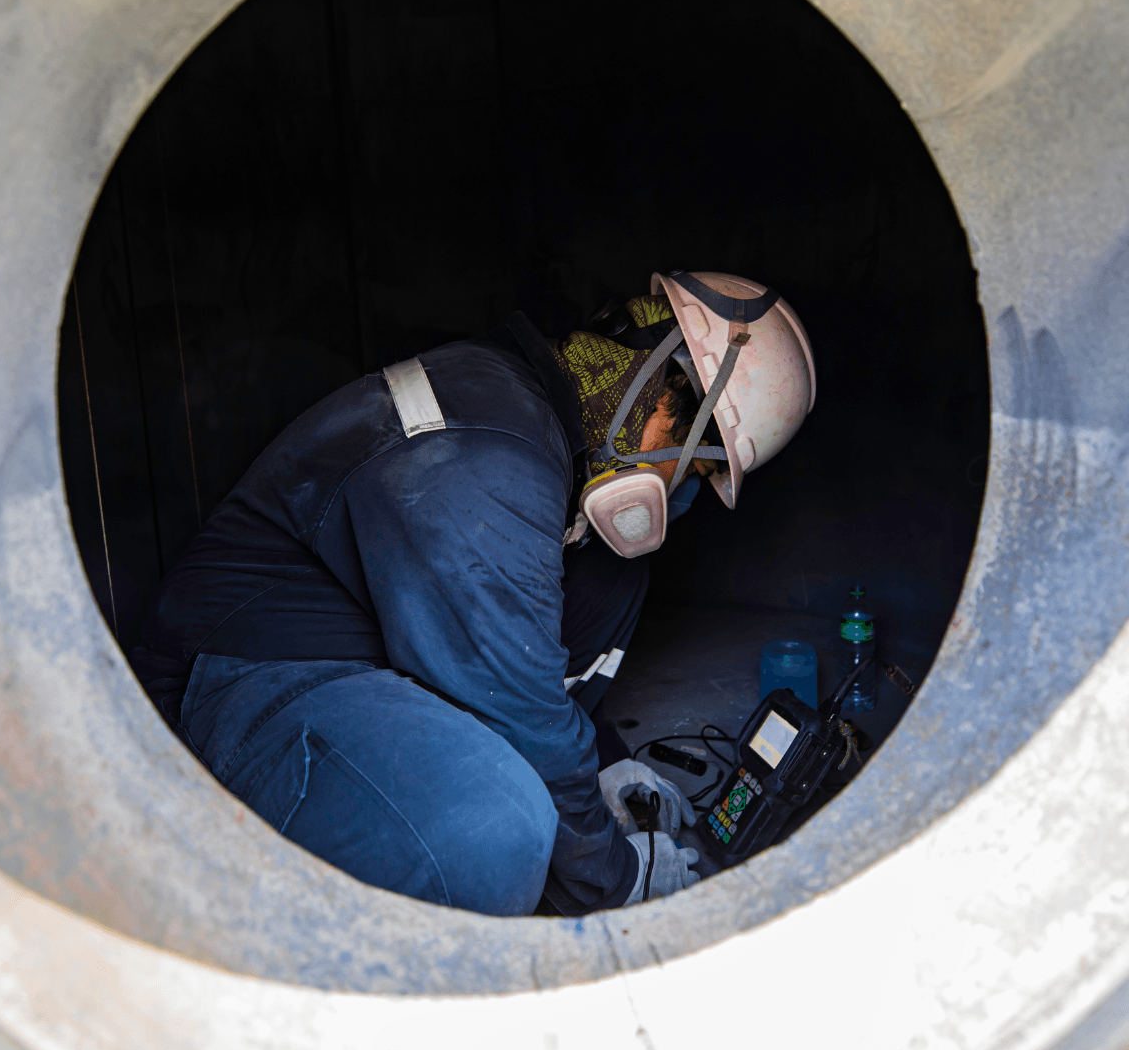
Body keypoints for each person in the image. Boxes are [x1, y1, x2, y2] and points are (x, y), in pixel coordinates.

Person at [130, 272, 815, 916]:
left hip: (351, 661)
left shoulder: (519, 407)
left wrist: (606, 764)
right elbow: (522, 710)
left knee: (613, 578)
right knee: (495, 825)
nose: (675, 490)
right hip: (237, 683)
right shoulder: (489, 463)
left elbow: (526, 666)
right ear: (656, 394)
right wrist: (614, 878)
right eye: (687, 463)